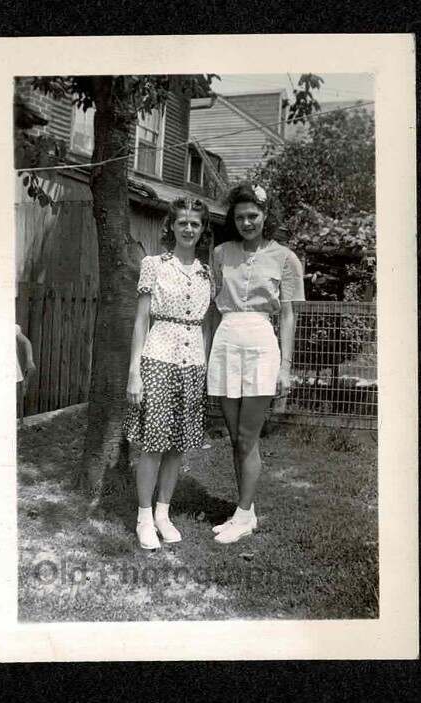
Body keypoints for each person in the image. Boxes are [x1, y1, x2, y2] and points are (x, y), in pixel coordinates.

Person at [207, 181, 305, 544]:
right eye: (240, 217)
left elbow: (289, 315)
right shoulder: (220, 253)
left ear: (265, 215)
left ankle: (244, 515)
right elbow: (211, 309)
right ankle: (244, 511)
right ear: (233, 220)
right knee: (235, 437)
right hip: (226, 339)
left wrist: (286, 366)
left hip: (262, 342)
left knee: (248, 437)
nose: (247, 223)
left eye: (253, 216)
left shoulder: (285, 257)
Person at [124, 197, 214, 550]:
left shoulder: (207, 273)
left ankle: (163, 513)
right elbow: (140, 321)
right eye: (182, 223)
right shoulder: (154, 265)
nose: (188, 229)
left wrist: (204, 367)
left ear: (202, 229)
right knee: (154, 443)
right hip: (158, 358)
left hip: (192, 364)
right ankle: (144, 517)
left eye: (195, 223)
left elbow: (205, 326)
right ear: (171, 227)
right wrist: (134, 372)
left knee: (176, 445)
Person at [16, 323, 36, 420]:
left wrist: (29, 360)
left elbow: (26, 342)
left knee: (16, 401)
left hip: (13, 373)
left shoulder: (11, 327)